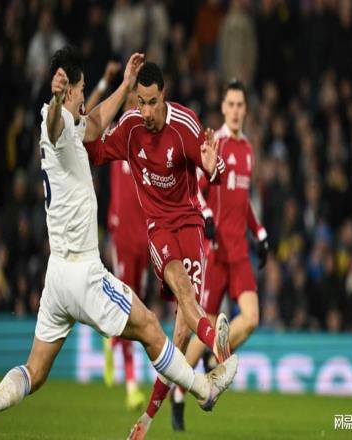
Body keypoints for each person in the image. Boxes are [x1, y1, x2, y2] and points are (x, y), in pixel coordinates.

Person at [0, 47, 237, 440]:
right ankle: (204, 389)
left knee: (35, 372)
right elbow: (59, 125)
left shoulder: (70, 126)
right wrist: (56, 99)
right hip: (85, 273)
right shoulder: (57, 125)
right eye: (82, 89)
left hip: (56, 279)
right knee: (152, 328)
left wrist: (122, 84)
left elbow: (97, 121)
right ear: (69, 91)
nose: (86, 96)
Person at [83, 61, 232, 439]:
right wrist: (76, 128)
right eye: (141, 102)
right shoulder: (130, 127)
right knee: (182, 290)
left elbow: (215, 170)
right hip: (158, 229)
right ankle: (222, 353)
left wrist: (213, 168)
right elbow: (94, 149)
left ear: (164, 95)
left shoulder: (185, 125)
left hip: (190, 224)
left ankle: (148, 419)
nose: (146, 111)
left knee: (180, 335)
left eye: (152, 102)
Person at [171, 79, 269, 431]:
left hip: (239, 251)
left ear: (245, 109)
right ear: (224, 108)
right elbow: (196, 189)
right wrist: (208, 216)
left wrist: (260, 232)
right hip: (214, 251)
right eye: (231, 104)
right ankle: (179, 389)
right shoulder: (218, 145)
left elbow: (244, 202)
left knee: (252, 318)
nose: (236, 110)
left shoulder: (249, 150)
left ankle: (215, 363)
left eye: (241, 105)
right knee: (205, 327)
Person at [87, 64, 147, 411]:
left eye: (140, 101)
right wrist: (108, 81)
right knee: (128, 308)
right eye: (132, 100)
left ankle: (111, 341)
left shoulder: (147, 139)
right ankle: (131, 384)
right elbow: (86, 124)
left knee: (138, 305)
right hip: (123, 236)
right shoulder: (115, 134)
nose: (136, 107)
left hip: (146, 238)